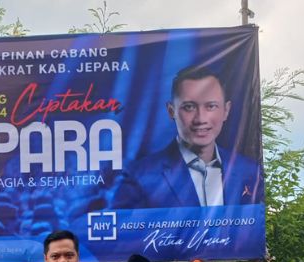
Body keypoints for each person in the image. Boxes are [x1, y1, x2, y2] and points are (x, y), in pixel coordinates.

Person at [109, 66, 263, 209]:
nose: (201, 119)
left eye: (211, 106)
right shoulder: (139, 177)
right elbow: (124, 235)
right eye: (189, 107)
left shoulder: (249, 171)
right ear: (171, 111)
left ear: (226, 110)